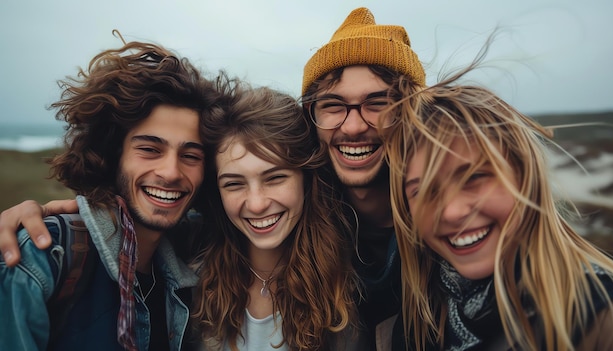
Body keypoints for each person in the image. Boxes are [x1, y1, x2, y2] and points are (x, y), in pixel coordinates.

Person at [0, 6, 424, 349]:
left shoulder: (374, 267)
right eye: (234, 182)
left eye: (378, 102)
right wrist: (78, 220)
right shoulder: (183, 268)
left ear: (306, 178)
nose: (353, 125)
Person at [0, 40, 228, 350]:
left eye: (191, 155)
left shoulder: (196, 256)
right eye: (149, 149)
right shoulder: (43, 257)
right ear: (113, 154)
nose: (172, 172)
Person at [383, 67, 613, 350]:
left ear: (525, 177)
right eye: (424, 191)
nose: (452, 212)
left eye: (473, 177)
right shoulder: (423, 316)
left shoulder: (608, 321)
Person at [190, 83, 362, 350]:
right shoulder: (191, 286)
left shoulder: (350, 290)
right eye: (234, 184)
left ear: (305, 179)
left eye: (275, 178)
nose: (257, 204)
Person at [300, 7, 426, 348]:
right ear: (311, 117)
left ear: (412, 111)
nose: (353, 127)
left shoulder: (449, 223)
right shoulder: (290, 226)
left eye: (378, 103)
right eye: (332, 105)